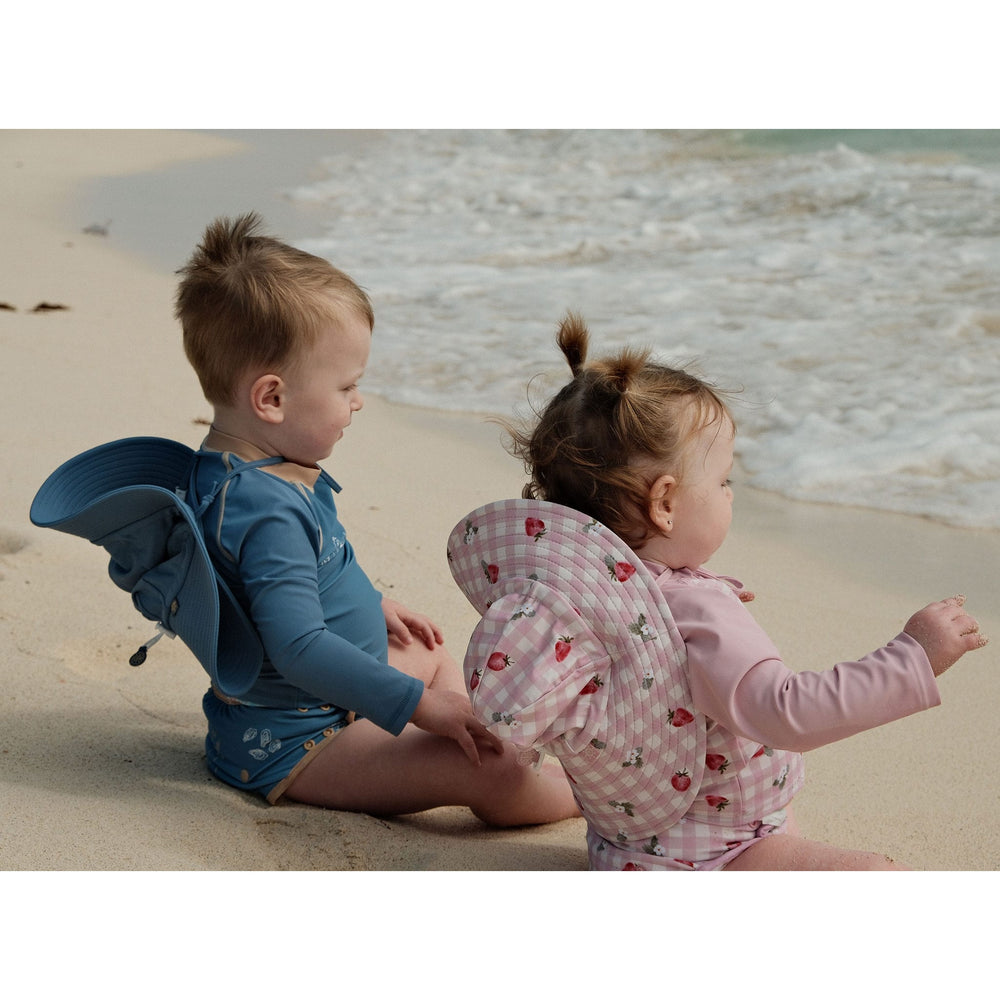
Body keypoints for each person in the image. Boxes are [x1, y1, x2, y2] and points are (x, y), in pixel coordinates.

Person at [447, 312, 987, 869]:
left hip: (625, 849)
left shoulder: (566, 604)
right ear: (664, 503)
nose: (730, 494)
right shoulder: (696, 608)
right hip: (722, 854)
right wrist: (913, 656)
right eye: (723, 480)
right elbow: (786, 712)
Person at [171, 213, 578, 825]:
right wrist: (421, 709)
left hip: (316, 705)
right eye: (346, 386)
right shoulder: (268, 511)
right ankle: (580, 798)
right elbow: (298, 647)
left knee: (431, 654)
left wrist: (371, 603)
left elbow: (272, 584)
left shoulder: (238, 469)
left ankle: (484, 736)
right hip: (299, 743)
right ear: (272, 398)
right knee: (495, 771)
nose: (357, 402)